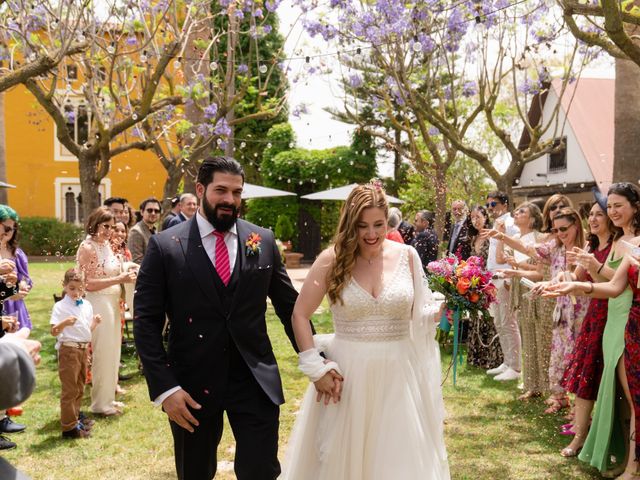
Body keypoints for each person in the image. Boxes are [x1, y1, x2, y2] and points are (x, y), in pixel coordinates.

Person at [133, 156, 300, 480]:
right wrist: (166, 389)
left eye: (237, 192)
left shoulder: (262, 241)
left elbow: (290, 307)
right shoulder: (166, 246)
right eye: (221, 190)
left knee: (261, 471)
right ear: (200, 189)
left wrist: (315, 359)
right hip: (191, 386)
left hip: (254, 380)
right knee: (195, 473)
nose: (230, 200)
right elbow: (146, 321)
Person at [281, 183, 450, 479]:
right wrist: (314, 366)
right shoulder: (331, 259)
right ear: (350, 224)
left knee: (397, 464)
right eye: (362, 226)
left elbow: (418, 317)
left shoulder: (408, 255)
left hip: (399, 377)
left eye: (378, 225)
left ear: (389, 221)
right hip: (348, 378)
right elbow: (299, 313)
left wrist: (448, 303)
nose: (371, 234)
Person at [549, 182, 640, 476]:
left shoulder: (635, 242)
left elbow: (620, 285)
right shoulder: (621, 242)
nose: (611, 212)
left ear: (635, 207)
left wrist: (587, 272)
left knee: (633, 397)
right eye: (608, 206)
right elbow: (613, 285)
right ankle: (624, 456)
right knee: (621, 398)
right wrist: (575, 283)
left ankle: (632, 467)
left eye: (617, 206)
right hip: (613, 322)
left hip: (630, 320)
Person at [558, 199, 615, 457]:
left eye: (599, 214)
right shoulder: (591, 244)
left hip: (612, 316)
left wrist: (592, 264)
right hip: (593, 317)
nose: (592, 219)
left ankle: (606, 439)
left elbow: (613, 284)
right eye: (590, 214)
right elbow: (576, 278)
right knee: (586, 378)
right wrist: (562, 276)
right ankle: (578, 438)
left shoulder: (617, 246)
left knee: (604, 380)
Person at [77, 207, 137, 416]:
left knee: (113, 351)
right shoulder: (87, 247)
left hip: (112, 302)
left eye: (112, 227)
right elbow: (88, 283)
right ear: (94, 224)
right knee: (102, 352)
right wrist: (120, 279)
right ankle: (100, 404)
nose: (109, 231)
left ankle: (108, 398)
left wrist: (128, 270)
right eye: (105, 226)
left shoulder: (107, 246)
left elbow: (113, 271)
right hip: (98, 303)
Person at [50, 268, 101, 439]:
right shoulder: (60, 307)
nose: (76, 292)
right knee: (69, 390)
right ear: (64, 286)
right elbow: (54, 331)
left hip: (82, 349)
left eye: (80, 289)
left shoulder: (86, 305)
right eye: (72, 288)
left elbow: (86, 330)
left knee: (80, 387)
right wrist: (64, 323)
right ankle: (68, 428)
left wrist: (94, 323)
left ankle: (75, 419)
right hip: (68, 351)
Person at [483, 191, 520, 380]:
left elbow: (515, 252)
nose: (490, 208)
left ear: (505, 205)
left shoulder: (511, 224)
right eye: (488, 205)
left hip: (505, 278)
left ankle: (516, 367)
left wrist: (508, 279)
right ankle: (507, 362)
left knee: (508, 322)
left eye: (494, 204)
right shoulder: (496, 224)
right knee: (499, 321)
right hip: (493, 278)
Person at [464, 205, 503, 369]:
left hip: (490, 282)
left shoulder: (491, 237)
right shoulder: (472, 239)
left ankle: (493, 358)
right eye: (472, 217)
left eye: (478, 216)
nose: (475, 220)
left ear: (485, 217)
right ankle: (477, 357)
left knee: (490, 319)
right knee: (476, 318)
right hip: (475, 284)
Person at [128, 197, 161, 264]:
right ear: (142, 212)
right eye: (149, 210)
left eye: (156, 211)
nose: (153, 213)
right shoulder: (136, 231)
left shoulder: (154, 229)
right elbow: (137, 261)